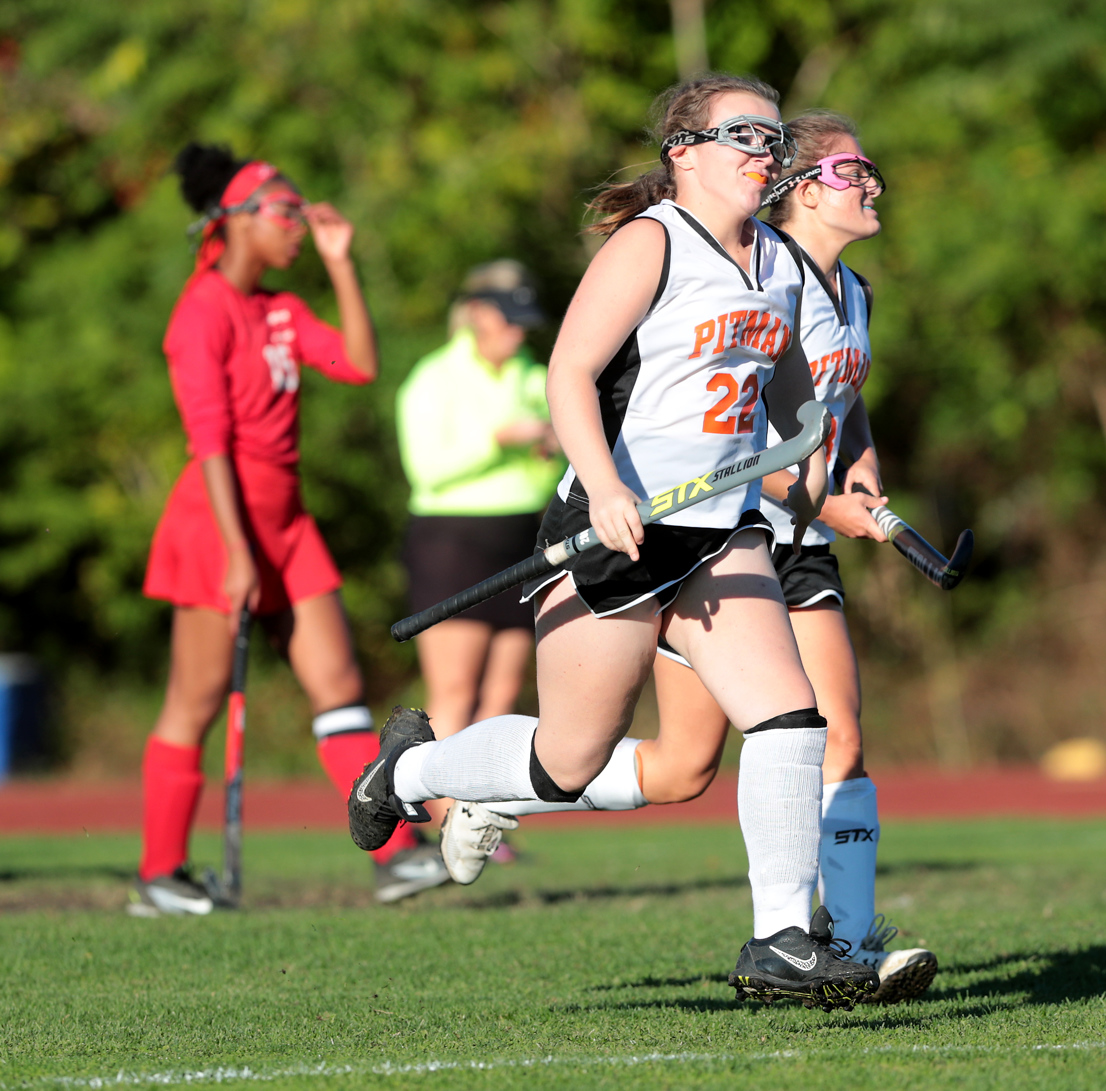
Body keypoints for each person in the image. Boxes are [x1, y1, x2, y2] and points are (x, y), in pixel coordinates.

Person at [349, 75, 878, 1010]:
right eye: (743, 134)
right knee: (568, 760)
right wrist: (601, 487)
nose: (765, 150)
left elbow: (796, 397)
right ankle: (411, 768)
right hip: (618, 526)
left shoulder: (781, 264)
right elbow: (570, 372)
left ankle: (783, 940)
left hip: (721, 531)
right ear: (685, 150)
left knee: (791, 719)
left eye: (774, 135)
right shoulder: (653, 244)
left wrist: (813, 466)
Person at [132, 143, 446, 916]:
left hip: (288, 523)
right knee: (194, 702)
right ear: (236, 220)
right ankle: (160, 874)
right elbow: (208, 440)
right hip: (220, 524)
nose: (300, 227)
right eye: (286, 213)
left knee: (338, 687)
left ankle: (395, 854)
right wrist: (237, 552)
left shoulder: (281, 308)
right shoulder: (200, 311)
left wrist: (342, 262)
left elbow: (359, 363)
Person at [395, 260, 563, 840]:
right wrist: (497, 441)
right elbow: (428, 469)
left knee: (501, 695)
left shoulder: (533, 374)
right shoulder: (433, 378)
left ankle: (479, 817)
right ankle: (436, 815)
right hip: (453, 541)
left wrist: (550, 443)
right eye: (509, 321)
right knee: (455, 691)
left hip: (524, 540)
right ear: (479, 316)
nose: (519, 334)